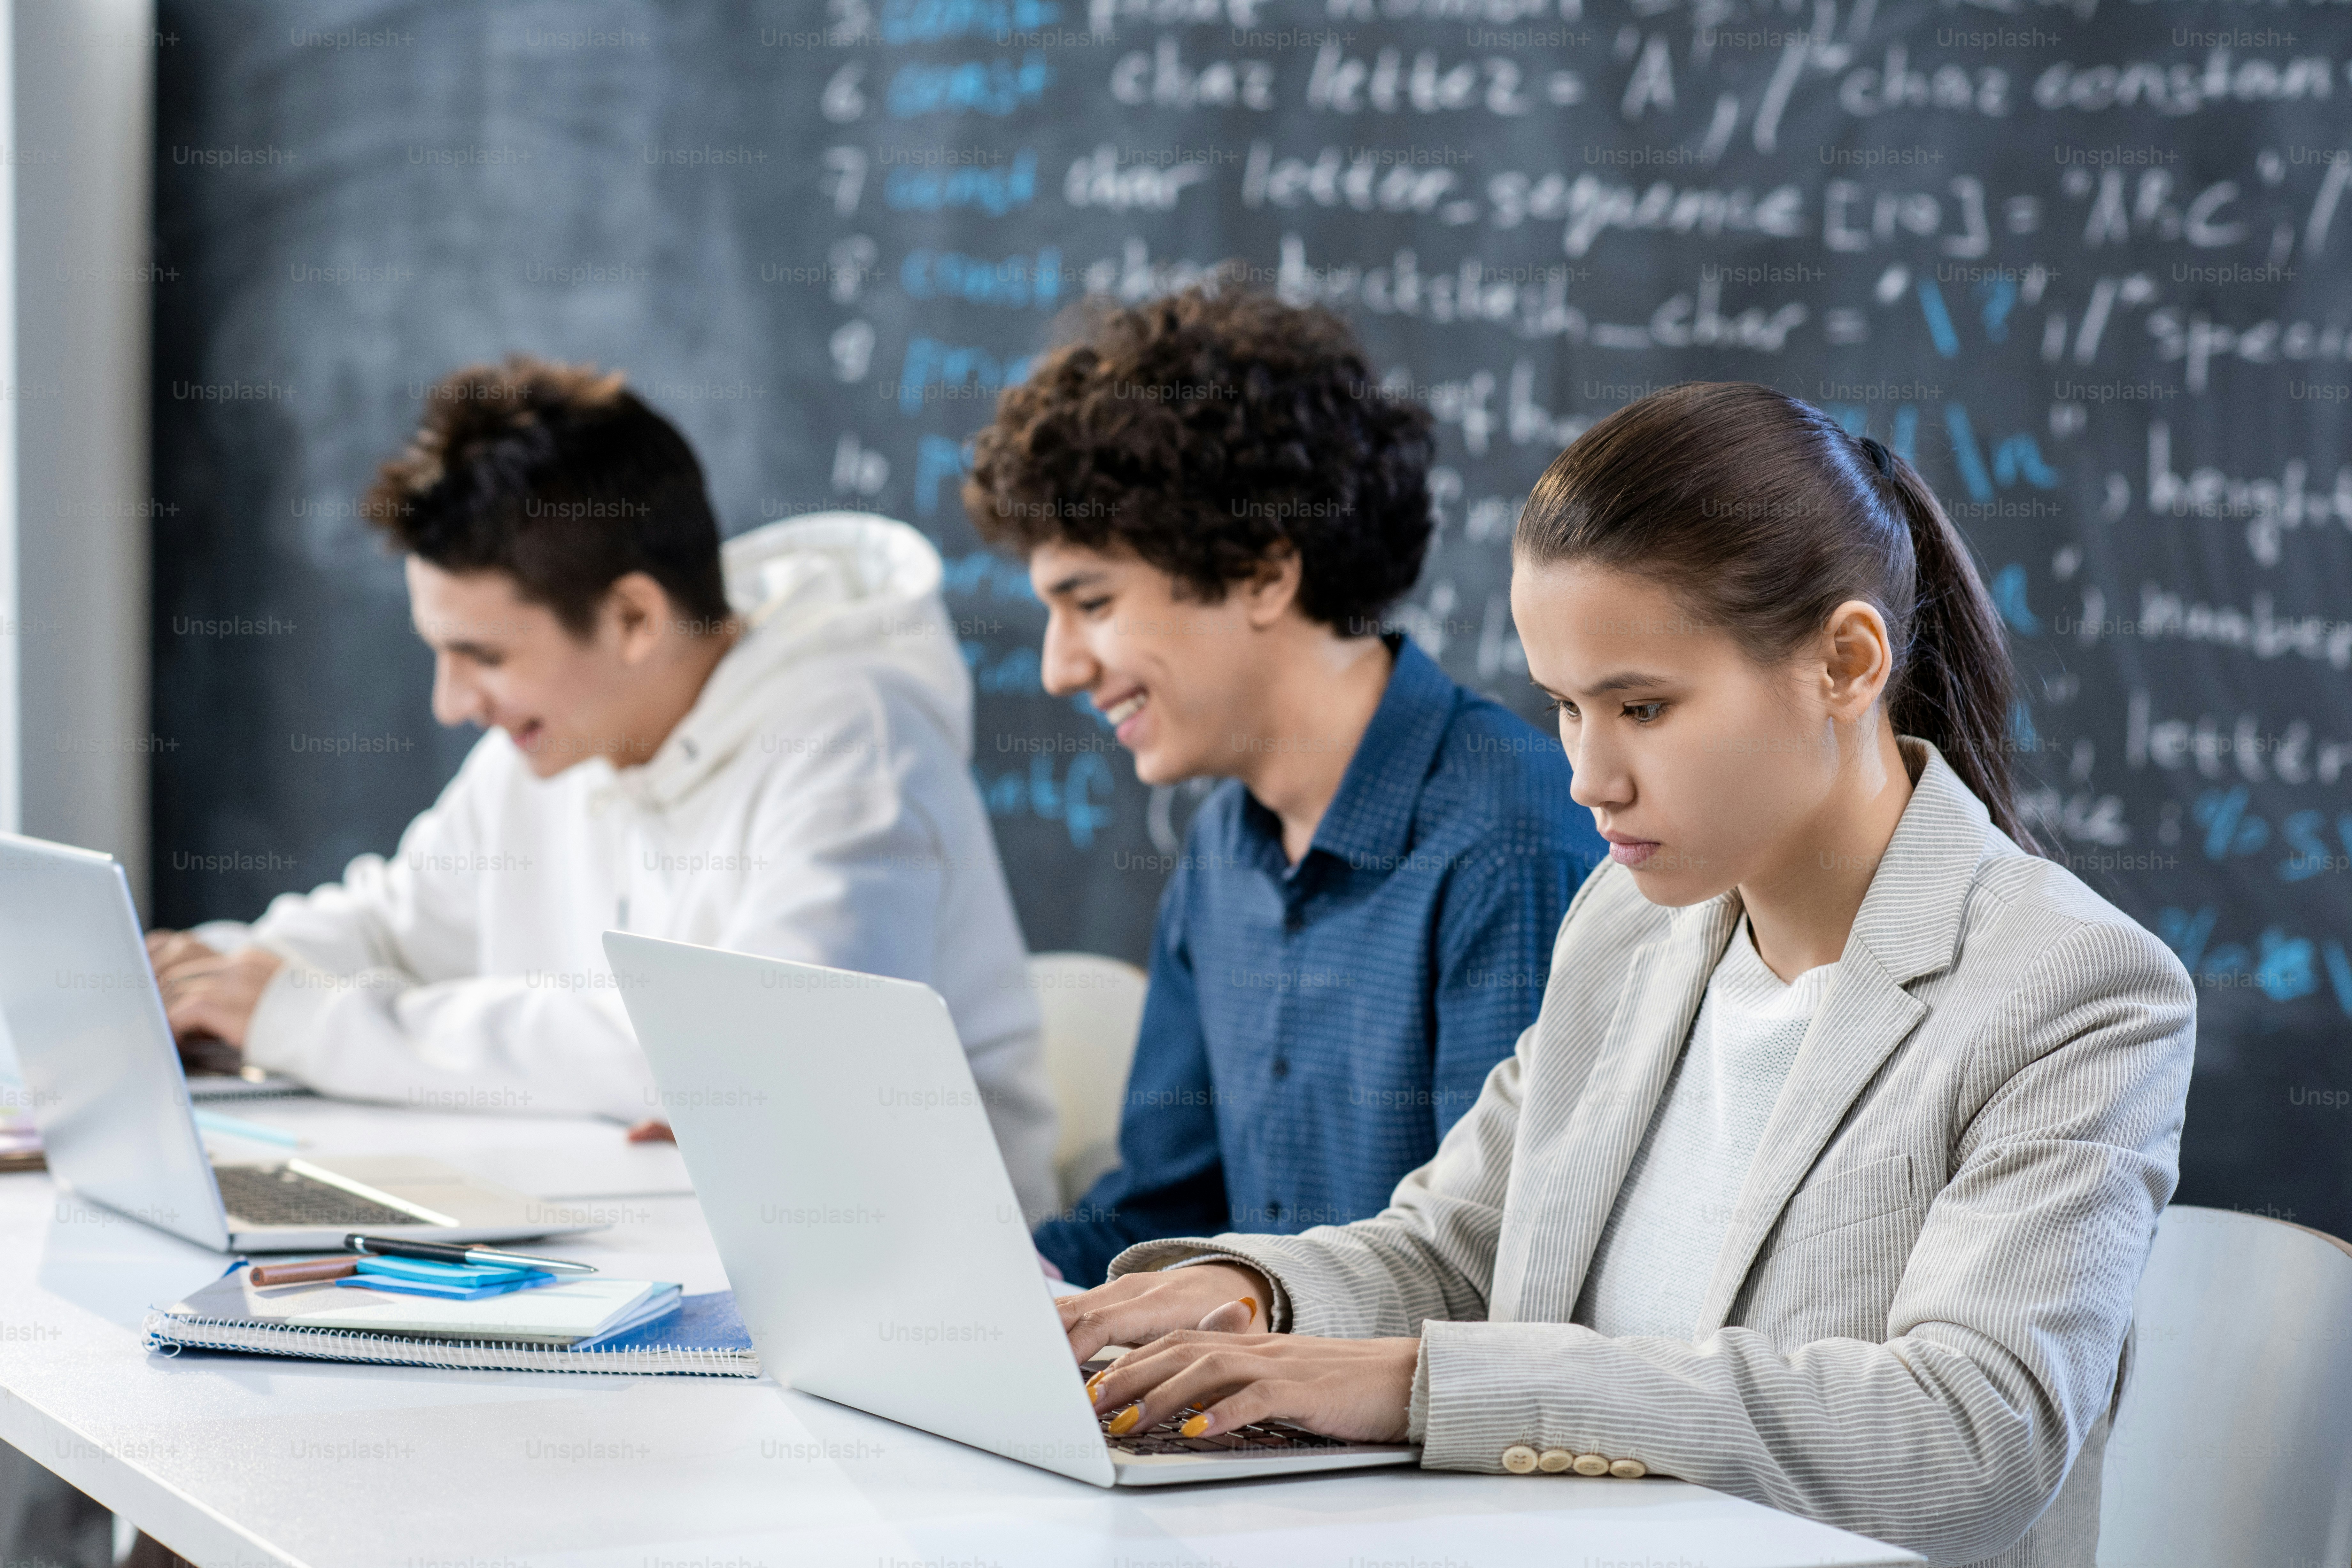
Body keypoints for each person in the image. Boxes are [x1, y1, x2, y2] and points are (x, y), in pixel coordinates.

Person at [1054, 382, 2195, 1568]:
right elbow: (1456, 1249)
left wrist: (1425, 1383)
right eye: (1564, 708)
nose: (1590, 777)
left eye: (1642, 707)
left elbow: (1967, 1440)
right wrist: (1246, 1297)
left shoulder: (2075, 988)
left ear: (1846, 663)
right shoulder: (1626, 925)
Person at [146, 355, 1060, 1221]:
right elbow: (394, 926)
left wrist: (309, 1018)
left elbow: (733, 1061)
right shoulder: (559, 734)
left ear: (633, 618)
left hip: (904, 1290)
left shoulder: (850, 737)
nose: (453, 701)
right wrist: (207, 978)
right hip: (638, 1236)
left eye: (484, 655)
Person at [965, 282, 1608, 1285]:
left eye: (1090, 601)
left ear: (1266, 572)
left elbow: (1494, 1277)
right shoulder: (1226, 846)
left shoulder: (1512, 844)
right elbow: (1156, 1220)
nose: (1059, 666)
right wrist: (946, 1281)